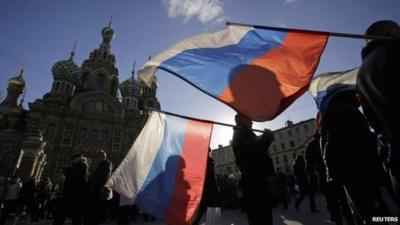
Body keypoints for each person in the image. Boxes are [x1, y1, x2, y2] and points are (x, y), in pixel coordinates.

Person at [322, 90, 385, 225]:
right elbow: (364, 138)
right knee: (371, 209)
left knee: (365, 210)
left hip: (352, 169)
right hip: (361, 167)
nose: (358, 97)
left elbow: (333, 144)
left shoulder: (336, 110)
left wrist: (331, 172)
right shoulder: (347, 110)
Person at [356, 20, 400, 198]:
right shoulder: (394, 48)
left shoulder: (360, 75)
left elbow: (371, 118)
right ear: (389, 31)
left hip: (394, 146)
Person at [231, 113, 275, 225]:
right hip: (254, 181)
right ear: (240, 120)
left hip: (255, 179)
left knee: (261, 216)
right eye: (249, 119)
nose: (252, 121)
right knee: (260, 216)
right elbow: (255, 150)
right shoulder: (241, 133)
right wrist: (267, 138)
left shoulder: (244, 133)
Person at [192, 148, 222, 225]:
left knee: (203, 209)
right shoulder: (208, 161)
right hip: (210, 189)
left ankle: (195, 223)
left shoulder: (204, 161)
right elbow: (211, 178)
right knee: (213, 209)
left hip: (205, 189)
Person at [86, 150, 113, 225]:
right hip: (95, 191)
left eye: (98, 156)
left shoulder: (106, 164)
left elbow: (103, 176)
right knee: (93, 212)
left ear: (102, 156)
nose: (97, 158)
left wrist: (91, 177)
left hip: (98, 191)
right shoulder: (100, 165)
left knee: (95, 213)